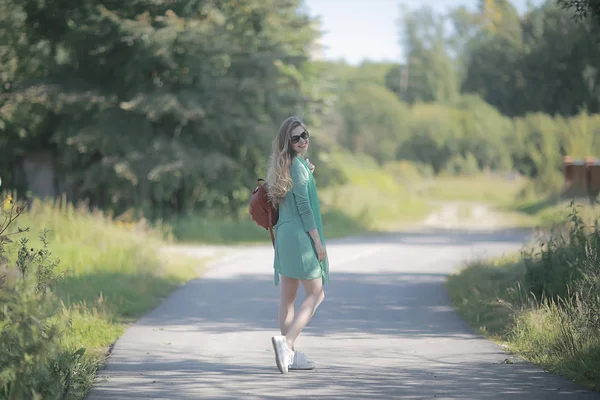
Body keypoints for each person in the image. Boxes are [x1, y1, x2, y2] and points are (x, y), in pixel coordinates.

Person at [265, 116, 329, 374]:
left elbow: (292, 197)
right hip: (301, 236)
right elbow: (304, 207)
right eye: (296, 138)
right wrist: (316, 240)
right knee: (317, 293)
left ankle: (287, 355)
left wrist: (307, 171)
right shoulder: (298, 168)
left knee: (288, 298)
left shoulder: (285, 167)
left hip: (284, 235)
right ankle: (287, 342)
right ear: (287, 142)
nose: (303, 141)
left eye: (305, 135)